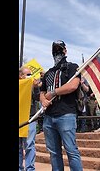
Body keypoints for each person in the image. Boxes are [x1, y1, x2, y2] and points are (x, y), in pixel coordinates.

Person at [39, 40, 83, 170]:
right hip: (49, 116)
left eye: (59, 49)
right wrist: (43, 100)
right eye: (55, 49)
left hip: (66, 114)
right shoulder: (48, 72)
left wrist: (52, 93)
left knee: (71, 150)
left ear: (65, 50)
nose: (57, 51)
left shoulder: (72, 67)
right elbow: (42, 92)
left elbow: (73, 85)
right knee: (54, 153)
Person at [19, 66, 40, 171]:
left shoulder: (32, 86)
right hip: (19, 119)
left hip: (30, 119)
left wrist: (36, 88)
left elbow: (37, 98)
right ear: (21, 76)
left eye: (30, 74)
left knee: (29, 145)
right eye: (28, 75)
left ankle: (30, 168)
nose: (30, 76)